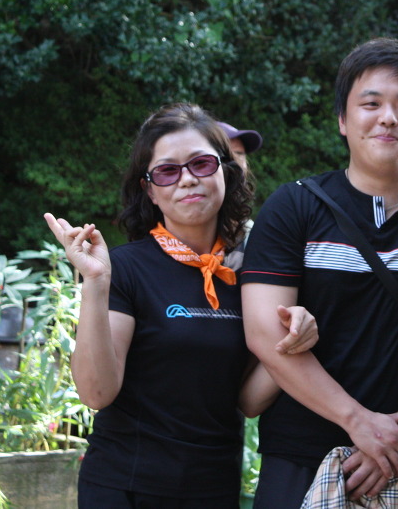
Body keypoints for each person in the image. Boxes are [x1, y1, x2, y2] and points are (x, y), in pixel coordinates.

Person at [240, 37, 398, 509]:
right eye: (370, 104)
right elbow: (263, 332)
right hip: (299, 457)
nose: (388, 118)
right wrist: (358, 421)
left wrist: (397, 443)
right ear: (342, 119)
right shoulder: (294, 207)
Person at [43, 103, 319, 509]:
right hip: (124, 488)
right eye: (167, 171)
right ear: (149, 190)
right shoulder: (124, 268)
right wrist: (96, 284)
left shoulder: (253, 276)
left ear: (226, 172)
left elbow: (248, 401)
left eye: (201, 164)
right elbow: (96, 392)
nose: (187, 179)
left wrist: (296, 338)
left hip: (214, 489)